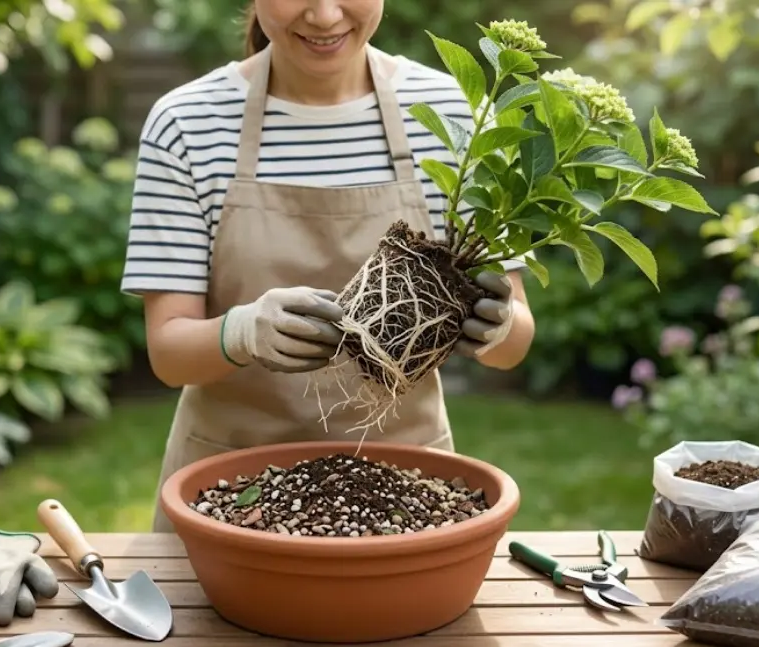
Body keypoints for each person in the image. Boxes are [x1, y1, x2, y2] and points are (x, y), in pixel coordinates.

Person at [120, 0, 537, 532]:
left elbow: (516, 339)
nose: (324, 15)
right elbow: (170, 353)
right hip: (226, 496)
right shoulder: (188, 122)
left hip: (406, 492)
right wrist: (241, 331)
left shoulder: (457, 113)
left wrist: (497, 326)